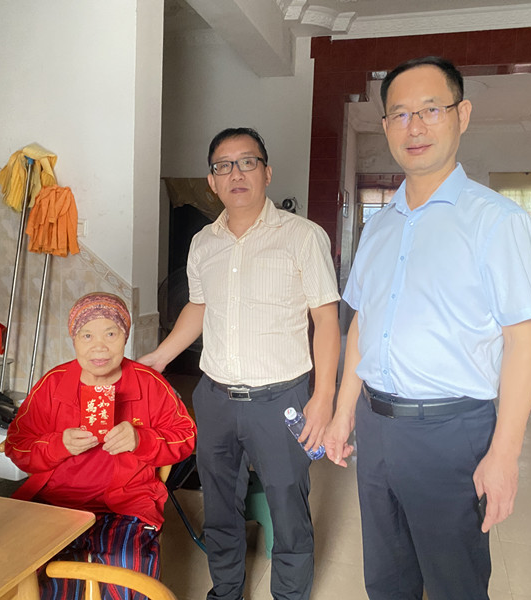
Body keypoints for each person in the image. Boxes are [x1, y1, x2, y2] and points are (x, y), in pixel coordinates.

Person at [324, 56, 531, 600]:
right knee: (387, 578)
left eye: (430, 110)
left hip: (452, 432)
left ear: (461, 115)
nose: (414, 127)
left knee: (454, 584)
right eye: (400, 114)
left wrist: (504, 454)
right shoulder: (377, 227)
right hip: (376, 426)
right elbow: (362, 325)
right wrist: (343, 411)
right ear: (385, 127)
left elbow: (523, 340)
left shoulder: (496, 220)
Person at [139, 127, 340, 600]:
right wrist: (159, 358)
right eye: (223, 166)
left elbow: (326, 321)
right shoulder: (203, 243)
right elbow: (199, 307)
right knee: (219, 507)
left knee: (288, 507)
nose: (236, 173)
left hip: (282, 399)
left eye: (248, 162)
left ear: (267, 173)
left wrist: (324, 397)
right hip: (215, 398)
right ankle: (225, 591)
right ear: (212, 181)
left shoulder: (303, 236)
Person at [5, 292, 196, 600]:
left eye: (110, 334)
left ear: (125, 337)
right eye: (87, 335)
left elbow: (185, 438)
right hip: (57, 503)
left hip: (127, 505)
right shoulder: (53, 383)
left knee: (128, 575)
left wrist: (141, 439)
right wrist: (57, 445)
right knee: (36, 574)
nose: (99, 347)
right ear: (74, 339)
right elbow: (17, 445)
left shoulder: (149, 383)